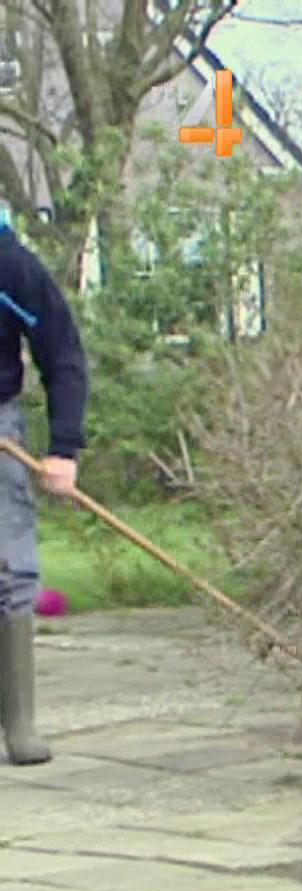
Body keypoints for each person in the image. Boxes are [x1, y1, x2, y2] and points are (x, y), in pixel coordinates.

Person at [0, 203, 89, 766]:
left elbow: (63, 357)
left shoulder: (13, 267)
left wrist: (63, 449)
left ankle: (19, 724)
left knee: (10, 570)